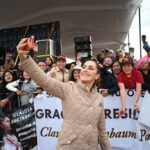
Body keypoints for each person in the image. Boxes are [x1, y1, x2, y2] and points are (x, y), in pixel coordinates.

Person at [16, 38, 111, 150]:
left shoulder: (99, 98)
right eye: (84, 67)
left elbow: (102, 131)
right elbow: (44, 81)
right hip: (69, 146)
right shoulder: (69, 88)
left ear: (97, 76)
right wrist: (25, 59)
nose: (85, 70)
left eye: (90, 68)